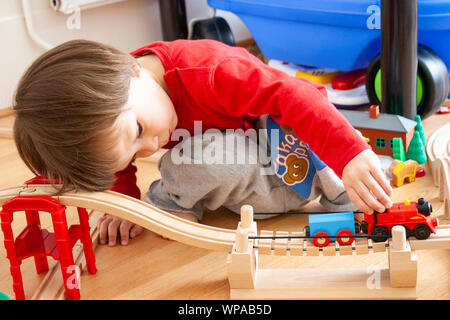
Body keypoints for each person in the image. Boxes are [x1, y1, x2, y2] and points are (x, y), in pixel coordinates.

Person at [12, 39, 393, 246]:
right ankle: (174, 199)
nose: (147, 151)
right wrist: (124, 200)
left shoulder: (211, 71)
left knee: (318, 137)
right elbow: (118, 155)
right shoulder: (122, 107)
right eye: (129, 155)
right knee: (200, 161)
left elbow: (293, 97)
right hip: (235, 160)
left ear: (132, 70)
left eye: (139, 132)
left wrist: (351, 153)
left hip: (271, 135)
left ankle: (343, 183)